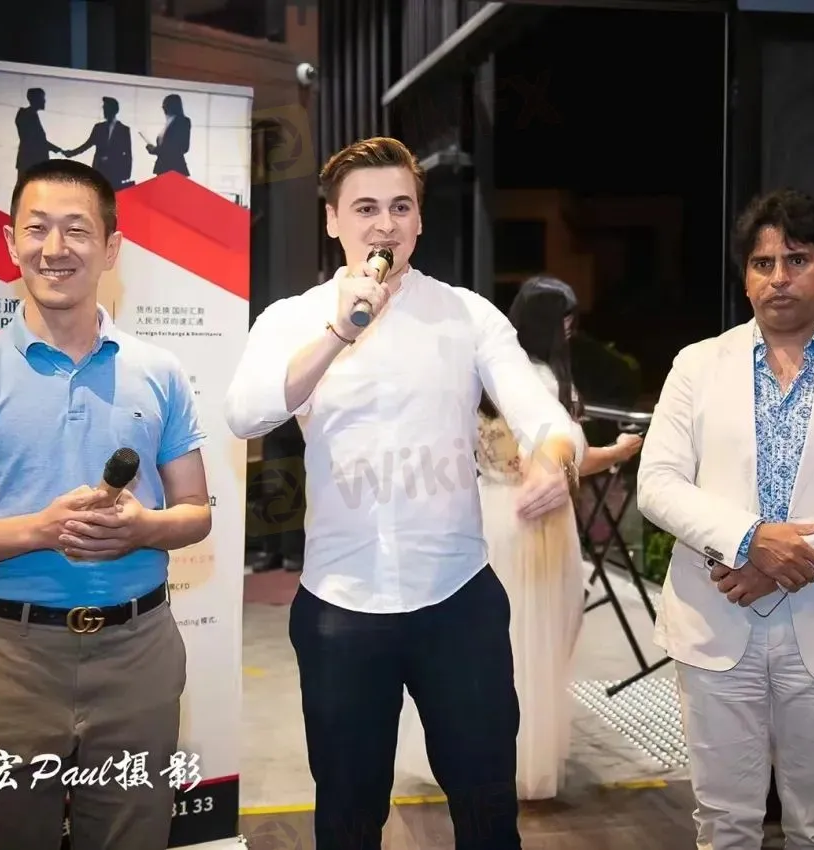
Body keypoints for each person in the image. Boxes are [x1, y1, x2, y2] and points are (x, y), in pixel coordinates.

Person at [224, 137, 584, 850]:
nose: (384, 224)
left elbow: (543, 416)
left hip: (458, 602)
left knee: (487, 809)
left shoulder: (466, 315)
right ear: (333, 221)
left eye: (400, 207)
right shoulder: (292, 318)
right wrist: (339, 331)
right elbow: (245, 413)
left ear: (419, 220)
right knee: (348, 815)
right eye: (365, 208)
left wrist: (554, 460)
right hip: (340, 607)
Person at [0, 159, 211, 850]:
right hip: (8, 660)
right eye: (37, 229)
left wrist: (142, 529)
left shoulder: (160, 373)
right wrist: (39, 529)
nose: (55, 248)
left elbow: (196, 510)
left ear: (111, 248)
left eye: (77, 229)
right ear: (11, 242)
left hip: (139, 655)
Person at [636, 188, 814, 850]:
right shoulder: (696, 365)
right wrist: (750, 541)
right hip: (716, 618)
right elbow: (658, 483)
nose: (778, 278)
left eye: (797, 260)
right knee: (724, 825)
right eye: (762, 263)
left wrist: (783, 561)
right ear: (745, 278)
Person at [395, 275, 643, 800]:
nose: (572, 329)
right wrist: (618, 453)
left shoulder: (487, 376)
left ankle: (465, 755)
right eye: (568, 319)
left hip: (487, 512)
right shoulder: (542, 386)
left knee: (486, 647)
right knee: (535, 646)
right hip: (536, 527)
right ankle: (518, 763)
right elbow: (551, 466)